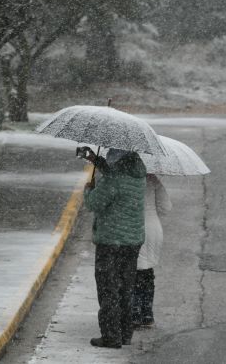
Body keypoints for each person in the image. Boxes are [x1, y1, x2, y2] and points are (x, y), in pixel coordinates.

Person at [80, 147, 146, 349]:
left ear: (117, 160)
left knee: (108, 289)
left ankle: (111, 336)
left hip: (111, 242)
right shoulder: (137, 175)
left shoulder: (113, 180)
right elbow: (116, 179)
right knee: (125, 288)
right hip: (132, 242)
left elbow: (93, 203)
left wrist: (88, 189)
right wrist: (97, 161)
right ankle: (125, 334)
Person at [132, 173, 172, 328]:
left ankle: (134, 313)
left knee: (134, 272)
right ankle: (147, 314)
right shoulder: (152, 179)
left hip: (134, 228)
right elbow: (166, 207)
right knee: (147, 272)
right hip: (154, 229)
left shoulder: (126, 178)